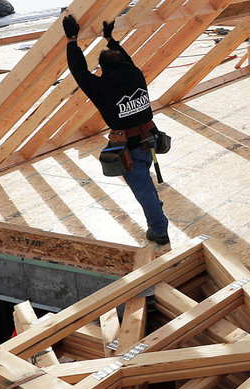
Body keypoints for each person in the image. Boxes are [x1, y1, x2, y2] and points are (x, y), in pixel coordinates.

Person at [63, 14, 170, 246]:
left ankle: (159, 231)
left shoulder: (103, 87)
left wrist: (72, 40)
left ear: (102, 69)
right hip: (150, 140)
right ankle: (157, 214)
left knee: (143, 191)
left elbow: (79, 72)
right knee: (146, 185)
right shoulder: (136, 75)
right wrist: (110, 40)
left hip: (130, 149)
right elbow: (128, 61)